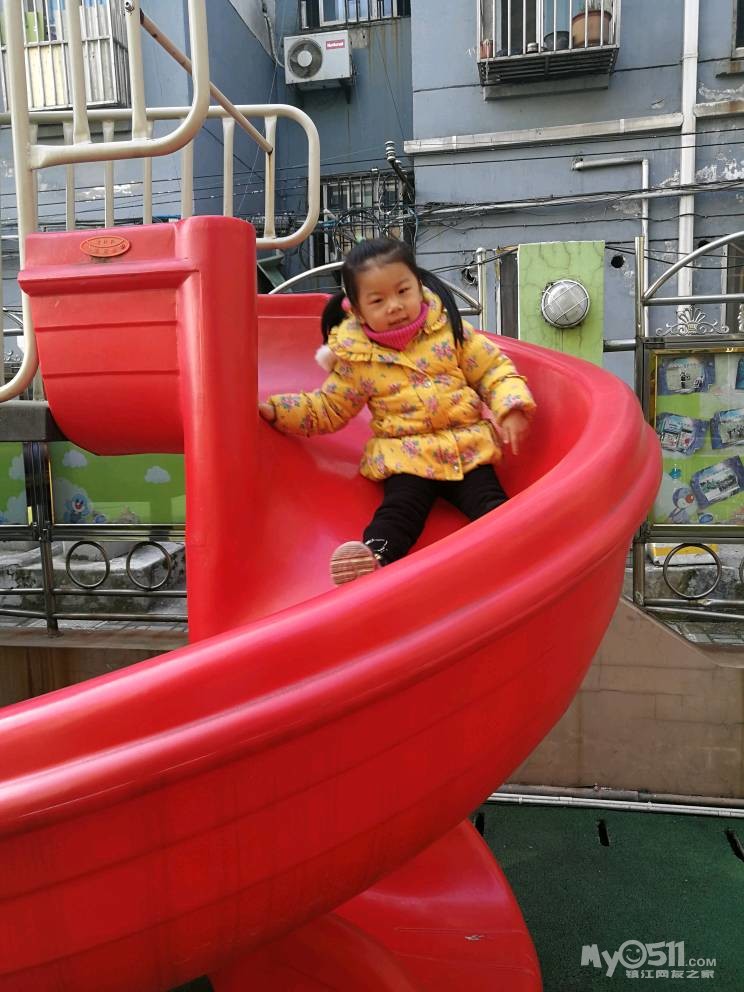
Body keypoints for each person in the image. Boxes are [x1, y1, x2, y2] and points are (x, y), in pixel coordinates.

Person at [259, 237, 536, 585]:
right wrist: (278, 411)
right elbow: (328, 407)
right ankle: (372, 559)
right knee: (399, 513)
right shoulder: (357, 358)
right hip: (406, 456)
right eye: (377, 300)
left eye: (403, 291)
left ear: (418, 286)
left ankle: (519, 550)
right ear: (357, 311)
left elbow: (492, 369)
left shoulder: (450, 332)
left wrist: (511, 405)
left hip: (466, 448)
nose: (394, 306)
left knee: (490, 502)